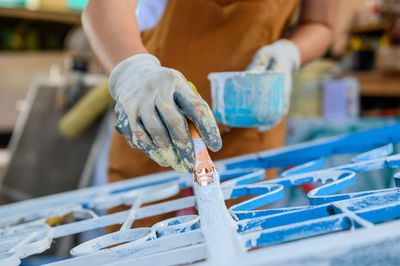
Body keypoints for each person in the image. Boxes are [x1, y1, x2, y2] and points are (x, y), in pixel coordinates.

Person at [82, 0, 339, 227]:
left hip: (248, 131)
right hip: (154, 120)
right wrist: (132, 70)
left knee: (236, 240)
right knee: (137, 243)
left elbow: (321, 23)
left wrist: (291, 52)